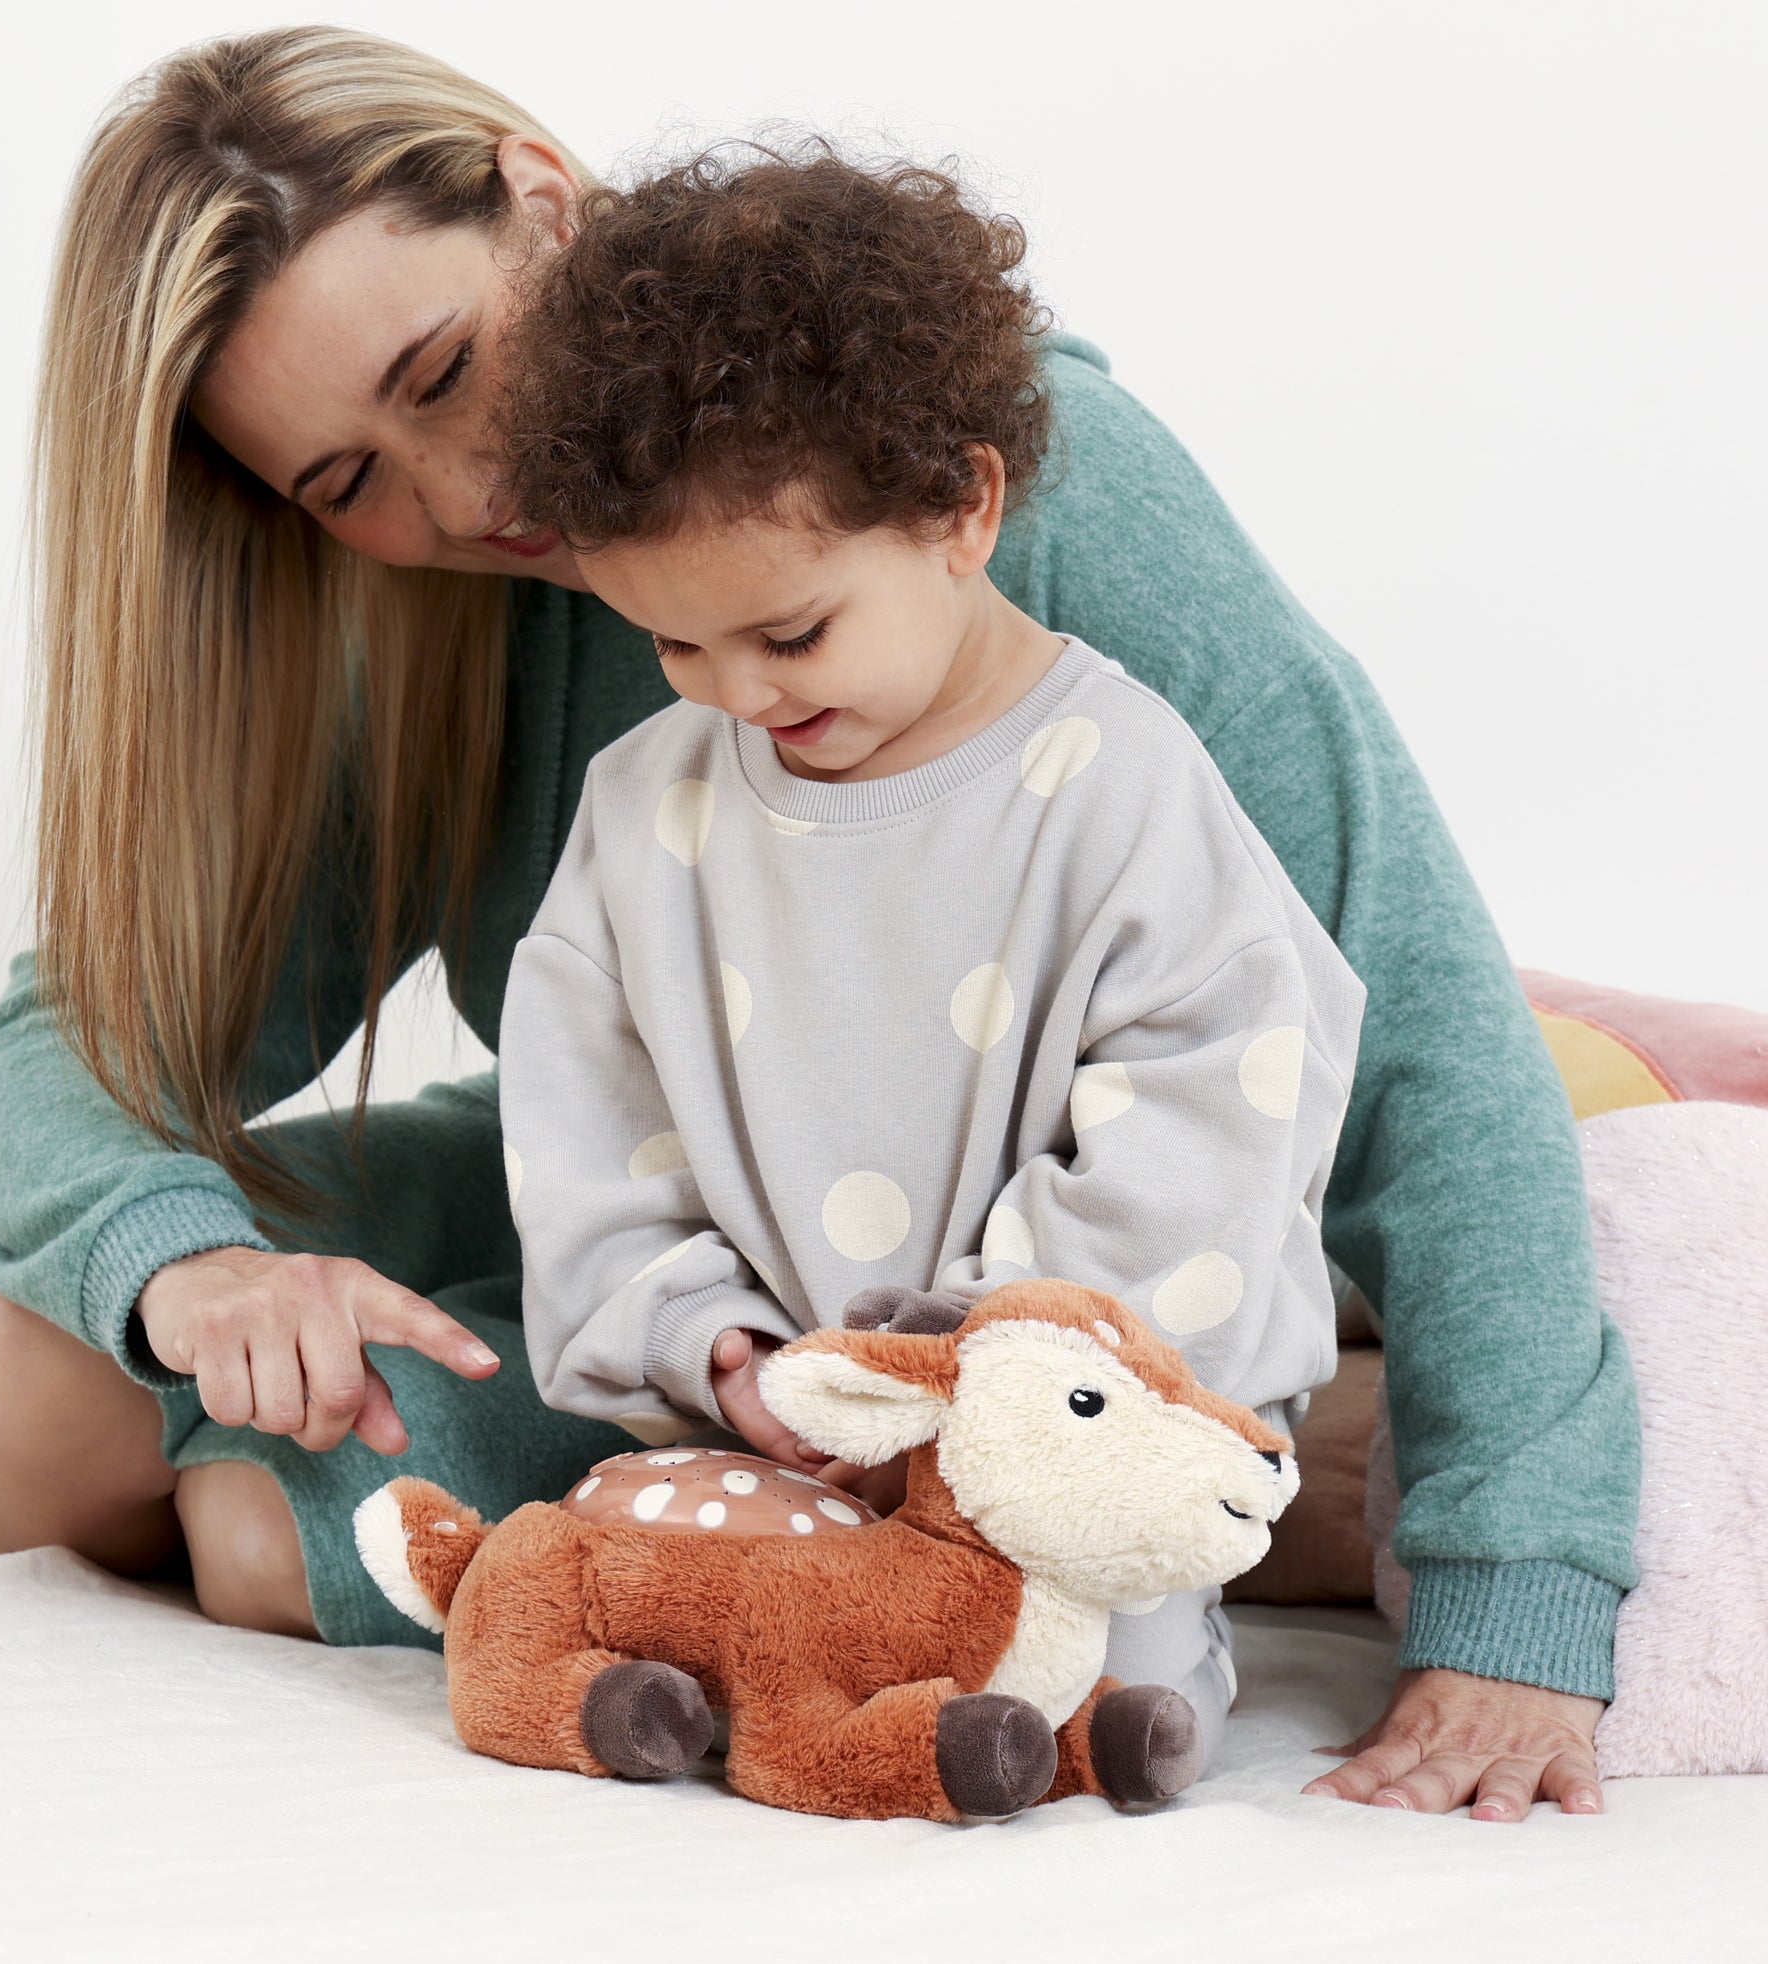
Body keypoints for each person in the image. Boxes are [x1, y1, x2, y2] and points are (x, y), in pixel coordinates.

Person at [0, 26, 1635, 1821]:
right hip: (696, 1269)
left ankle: (1264, 1467)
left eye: (444, 371)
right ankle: (1199, 1485)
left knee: (249, 1525)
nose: (467, 499)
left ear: (542, 209)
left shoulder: (1023, 497)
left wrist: (1520, 1592)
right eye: (348, 486)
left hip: (1048, 1291)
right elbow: (78, 1041)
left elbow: (1418, 1021)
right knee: (15, 1382)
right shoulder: (423, 641)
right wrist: (197, 1268)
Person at [488, 147, 1367, 1761]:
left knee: (1096, 1685)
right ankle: (806, 1725)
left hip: (1054, 1455)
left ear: (961, 506)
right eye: (674, 640)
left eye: (792, 631)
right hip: (784, 1437)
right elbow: (585, 1128)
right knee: (676, 1593)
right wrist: (724, 1353)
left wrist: (975, 1388)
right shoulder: (645, 811)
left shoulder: (1120, 783)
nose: (736, 690)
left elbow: (1213, 1115)